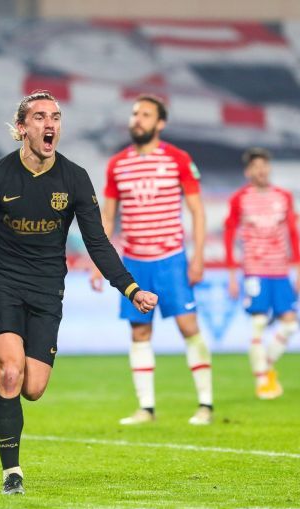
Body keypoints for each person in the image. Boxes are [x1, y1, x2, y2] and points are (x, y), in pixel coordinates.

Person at [0, 91, 158, 495]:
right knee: (11, 371)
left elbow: (98, 243)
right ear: (22, 128)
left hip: (48, 290)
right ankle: (11, 472)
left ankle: (6, 402)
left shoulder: (75, 178)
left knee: (32, 388)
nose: (49, 123)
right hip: (1, 282)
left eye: (55, 116)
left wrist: (130, 287)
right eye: (39, 117)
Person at [91, 94, 214, 426]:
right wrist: (97, 261)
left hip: (171, 258)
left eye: (145, 114)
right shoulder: (118, 164)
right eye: (135, 114)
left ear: (160, 123)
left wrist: (198, 256)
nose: (137, 119)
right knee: (139, 332)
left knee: (188, 327)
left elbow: (197, 211)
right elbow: (108, 217)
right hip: (134, 261)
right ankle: (146, 408)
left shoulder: (177, 158)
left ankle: (205, 404)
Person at [223, 147, 300, 399]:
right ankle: (262, 382)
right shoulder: (240, 199)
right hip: (255, 271)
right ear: (248, 172)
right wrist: (232, 275)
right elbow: (229, 234)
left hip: (280, 270)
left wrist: (299, 269)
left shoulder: (284, 196)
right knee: (258, 324)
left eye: (265, 165)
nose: (261, 170)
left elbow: (292, 233)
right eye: (256, 166)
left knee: (290, 324)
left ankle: (265, 366)